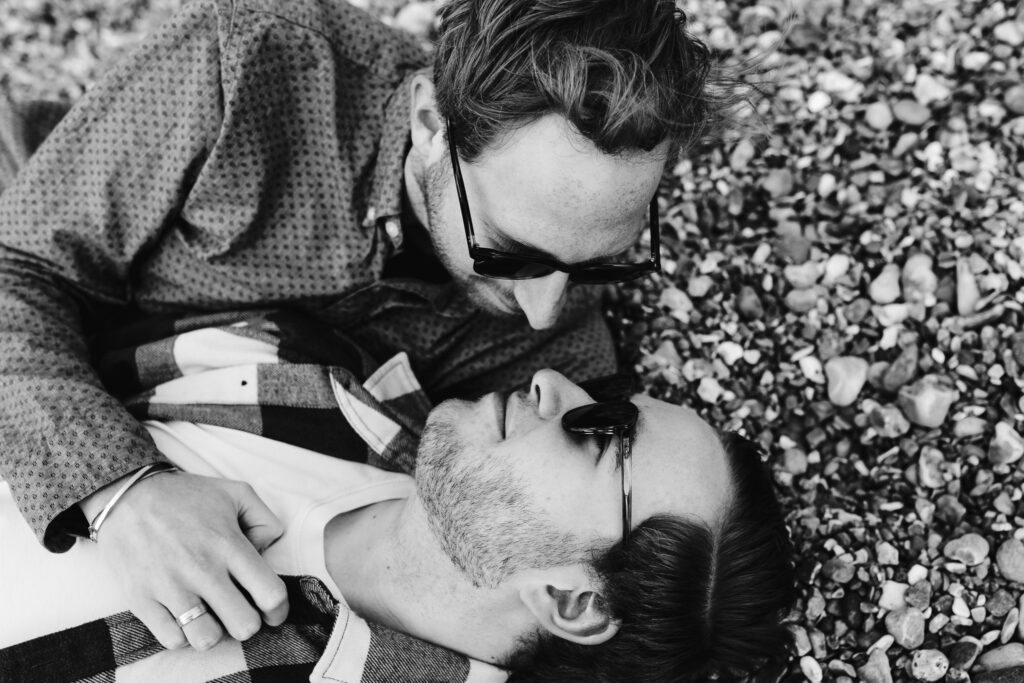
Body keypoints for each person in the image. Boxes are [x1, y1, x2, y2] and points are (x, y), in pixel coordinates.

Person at [0, 0, 737, 652]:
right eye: (508, 254)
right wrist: (122, 490)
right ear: (428, 123)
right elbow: (17, 267)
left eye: (605, 260)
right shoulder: (248, 64)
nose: (546, 311)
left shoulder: (557, 337)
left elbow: (586, 564)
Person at [0, 312, 795, 682]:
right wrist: (118, 486)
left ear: (573, 601)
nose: (558, 384)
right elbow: (31, 301)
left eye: (604, 432)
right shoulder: (324, 380)